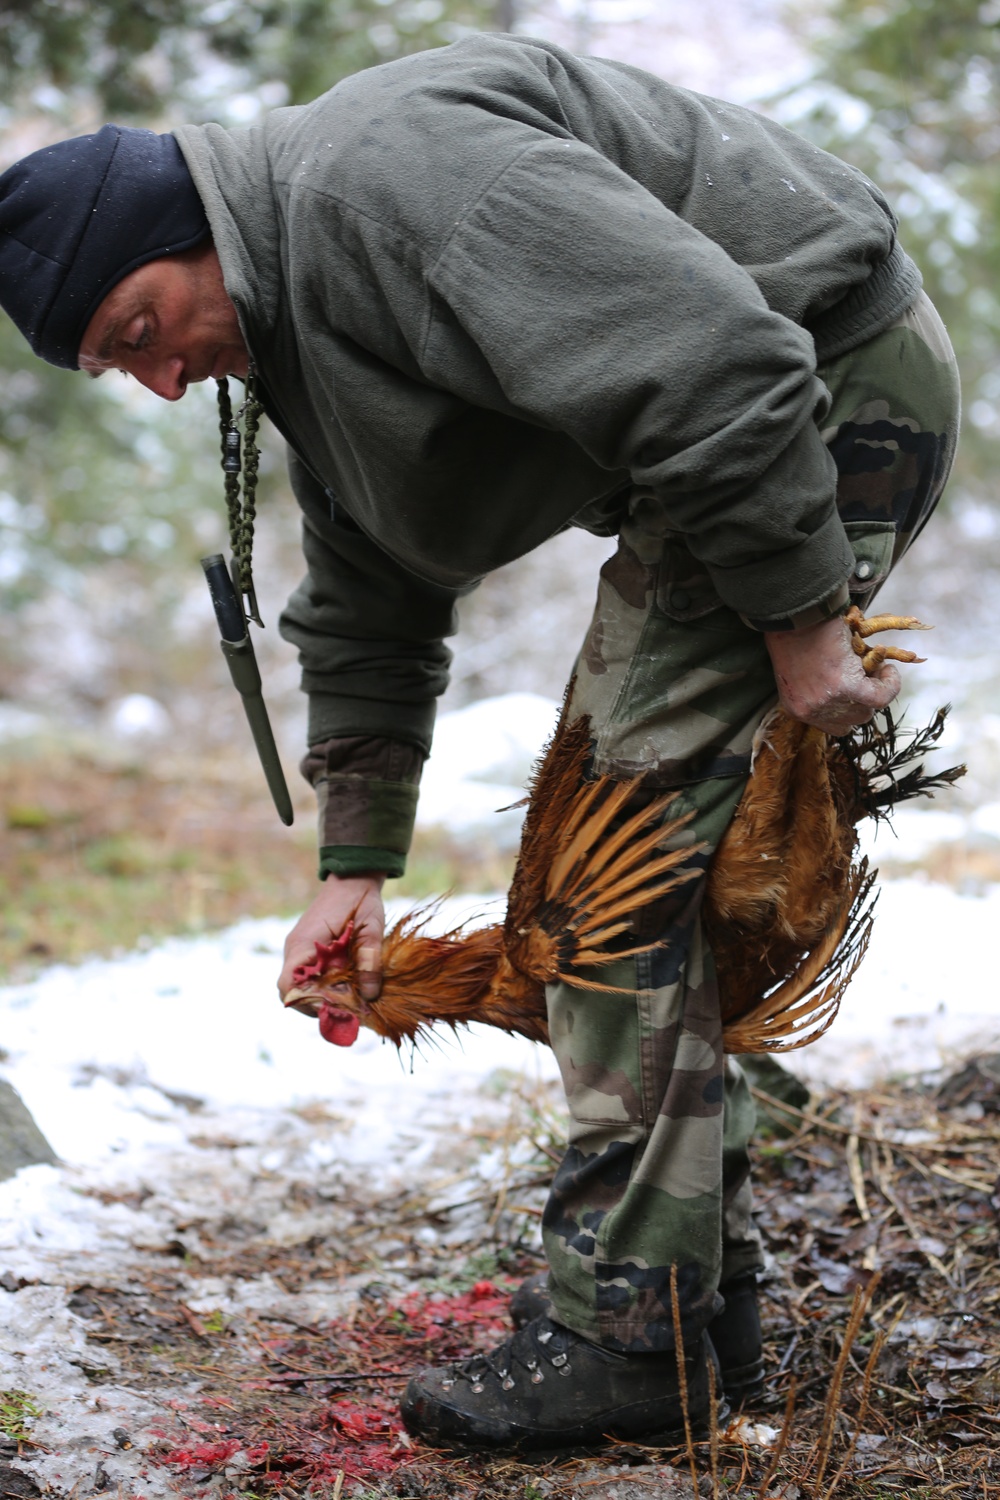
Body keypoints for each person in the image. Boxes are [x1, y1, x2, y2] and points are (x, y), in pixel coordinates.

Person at [0, 33, 959, 1453]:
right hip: (729, 447)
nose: (158, 381)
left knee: (604, 880)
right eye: (112, 370)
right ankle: (701, 1307)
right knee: (624, 863)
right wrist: (354, 859)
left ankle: (629, 1337)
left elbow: (721, 357)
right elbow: (371, 586)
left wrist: (803, 614)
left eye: (140, 328)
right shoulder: (295, 308)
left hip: (816, 405)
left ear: (185, 232)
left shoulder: (392, 190)